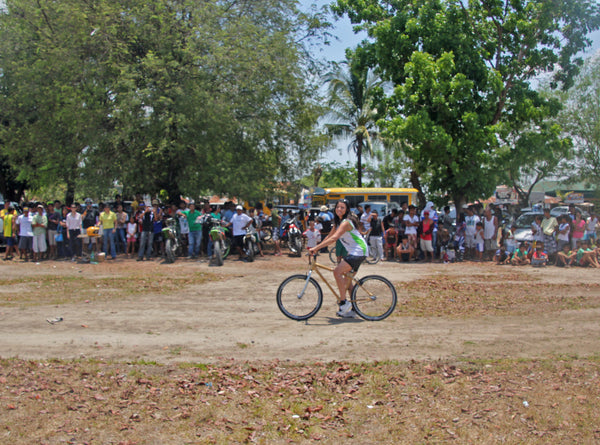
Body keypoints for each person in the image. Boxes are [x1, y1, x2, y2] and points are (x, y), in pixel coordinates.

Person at [308, 199, 368, 319]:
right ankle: (353, 310)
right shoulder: (338, 222)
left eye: (342, 208)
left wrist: (316, 248)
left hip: (358, 251)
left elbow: (334, 239)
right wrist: (317, 248)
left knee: (337, 272)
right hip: (356, 252)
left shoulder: (346, 222)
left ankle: (343, 302)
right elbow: (329, 236)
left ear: (347, 210)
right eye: (337, 207)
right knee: (348, 282)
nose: (339, 209)